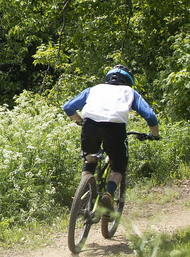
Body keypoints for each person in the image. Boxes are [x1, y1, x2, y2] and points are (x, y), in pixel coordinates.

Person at [61, 67, 160, 213]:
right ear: (128, 82)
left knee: (89, 160)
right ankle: (108, 195)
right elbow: (151, 117)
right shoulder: (129, 92)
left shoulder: (94, 89)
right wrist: (154, 135)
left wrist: (81, 121)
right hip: (115, 128)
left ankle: (85, 197)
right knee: (118, 167)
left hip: (90, 125)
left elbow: (68, 107)